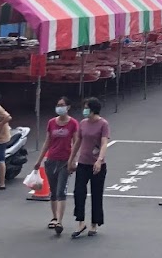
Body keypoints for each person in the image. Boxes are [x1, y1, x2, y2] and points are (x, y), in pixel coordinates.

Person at [68, 97, 110, 239]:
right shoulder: (83, 123)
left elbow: (104, 143)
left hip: (97, 165)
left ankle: (94, 223)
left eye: (86, 108)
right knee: (79, 192)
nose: (84, 110)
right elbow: (78, 141)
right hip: (83, 163)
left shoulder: (103, 124)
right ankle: (80, 222)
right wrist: (71, 158)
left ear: (93, 109)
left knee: (96, 193)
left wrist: (99, 160)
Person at [36, 96, 77, 234]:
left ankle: (59, 221)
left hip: (65, 161)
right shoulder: (51, 122)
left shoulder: (73, 123)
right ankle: (54, 218)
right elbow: (47, 142)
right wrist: (39, 160)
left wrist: (73, 160)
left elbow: (76, 143)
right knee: (53, 191)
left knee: (61, 191)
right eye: (58, 105)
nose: (59, 107)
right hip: (51, 160)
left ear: (68, 107)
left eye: (62, 105)